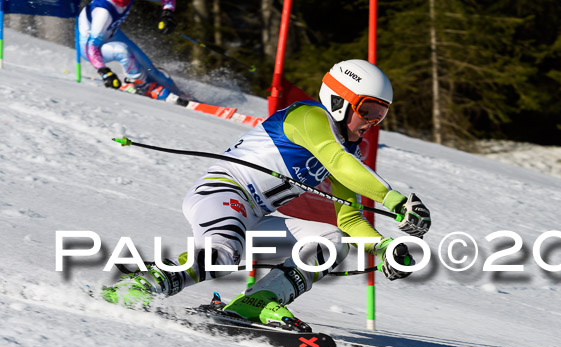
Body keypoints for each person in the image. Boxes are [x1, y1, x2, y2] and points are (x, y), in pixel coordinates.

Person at [103, 59, 431, 331]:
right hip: (222, 193)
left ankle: (255, 303)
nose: (373, 123)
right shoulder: (309, 117)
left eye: (381, 115)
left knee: (332, 241)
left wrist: (385, 247)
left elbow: (347, 216)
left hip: (256, 218)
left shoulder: (346, 150)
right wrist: (395, 200)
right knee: (222, 255)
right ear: (338, 101)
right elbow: (338, 162)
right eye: (368, 110)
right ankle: (144, 285)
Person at [78, 0, 179, 99]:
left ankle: (179, 93)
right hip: (90, 49)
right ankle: (141, 85)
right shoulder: (103, 12)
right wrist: (105, 73)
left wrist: (167, 13)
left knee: (150, 70)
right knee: (123, 51)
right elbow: (91, 47)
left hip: (112, 34)